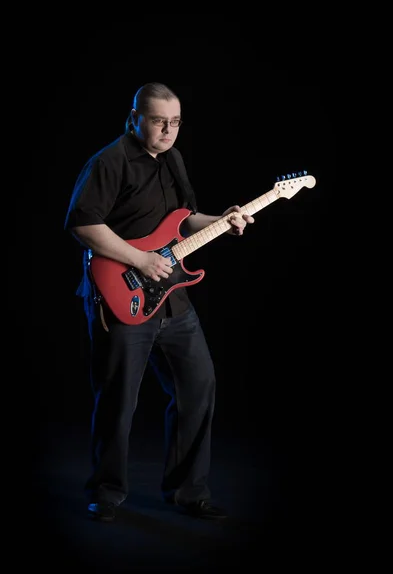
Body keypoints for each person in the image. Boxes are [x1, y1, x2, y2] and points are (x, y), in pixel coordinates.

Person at [64, 82, 254, 522]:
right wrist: (140, 260)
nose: (168, 131)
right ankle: (107, 493)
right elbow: (82, 224)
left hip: (172, 299)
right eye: (157, 121)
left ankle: (189, 492)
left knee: (199, 387)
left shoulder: (173, 159)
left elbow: (183, 222)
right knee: (118, 401)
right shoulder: (109, 162)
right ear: (134, 119)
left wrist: (224, 221)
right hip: (122, 292)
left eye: (175, 122)